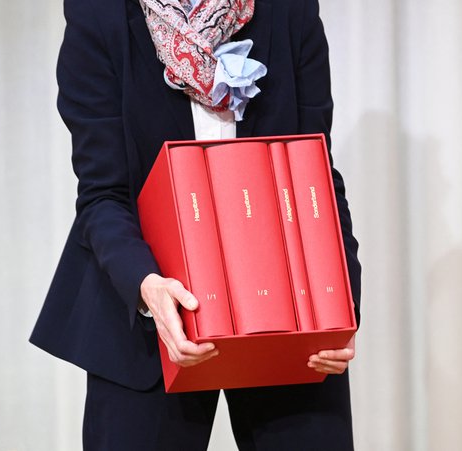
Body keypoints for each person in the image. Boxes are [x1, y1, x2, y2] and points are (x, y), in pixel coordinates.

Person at [30, 0, 362, 449]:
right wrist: (145, 285)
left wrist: (339, 307)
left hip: (285, 311)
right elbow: (102, 193)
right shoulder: (99, 14)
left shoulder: (289, 9)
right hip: (147, 317)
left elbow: (314, 170)